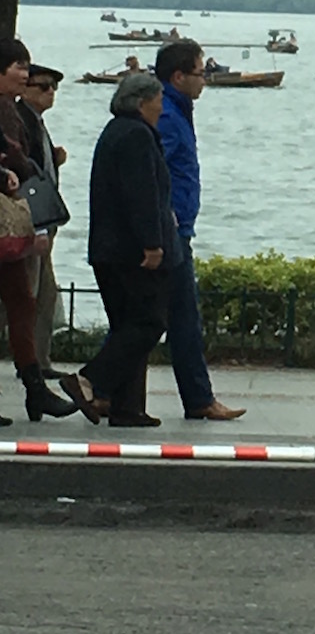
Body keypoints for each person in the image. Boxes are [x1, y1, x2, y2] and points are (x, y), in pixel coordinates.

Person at [60, 73, 180, 427]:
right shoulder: (136, 136)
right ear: (142, 102)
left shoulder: (117, 132)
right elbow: (140, 194)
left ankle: (127, 407)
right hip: (131, 252)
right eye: (159, 98)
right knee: (148, 322)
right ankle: (88, 380)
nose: (162, 105)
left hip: (110, 249)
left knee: (128, 323)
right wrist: (153, 243)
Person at [153, 39, 244, 421]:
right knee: (174, 315)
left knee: (156, 314)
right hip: (170, 228)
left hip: (177, 225)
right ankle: (199, 398)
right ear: (178, 77)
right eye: (199, 72)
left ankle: (104, 388)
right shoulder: (168, 116)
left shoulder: (177, 110)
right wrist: (168, 218)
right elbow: (156, 170)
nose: (205, 79)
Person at [0, 38, 76, 422]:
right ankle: (35, 387)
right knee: (20, 301)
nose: (25, 73)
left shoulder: (10, 112)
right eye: (19, 66)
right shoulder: (8, 113)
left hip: (8, 224)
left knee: (22, 302)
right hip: (6, 216)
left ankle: (35, 388)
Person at [17, 63, 69, 380]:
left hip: (44, 219)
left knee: (44, 292)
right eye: (43, 86)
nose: (50, 92)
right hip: (31, 220)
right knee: (26, 291)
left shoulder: (37, 123)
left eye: (53, 87)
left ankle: (38, 359)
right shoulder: (21, 120)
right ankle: (32, 362)